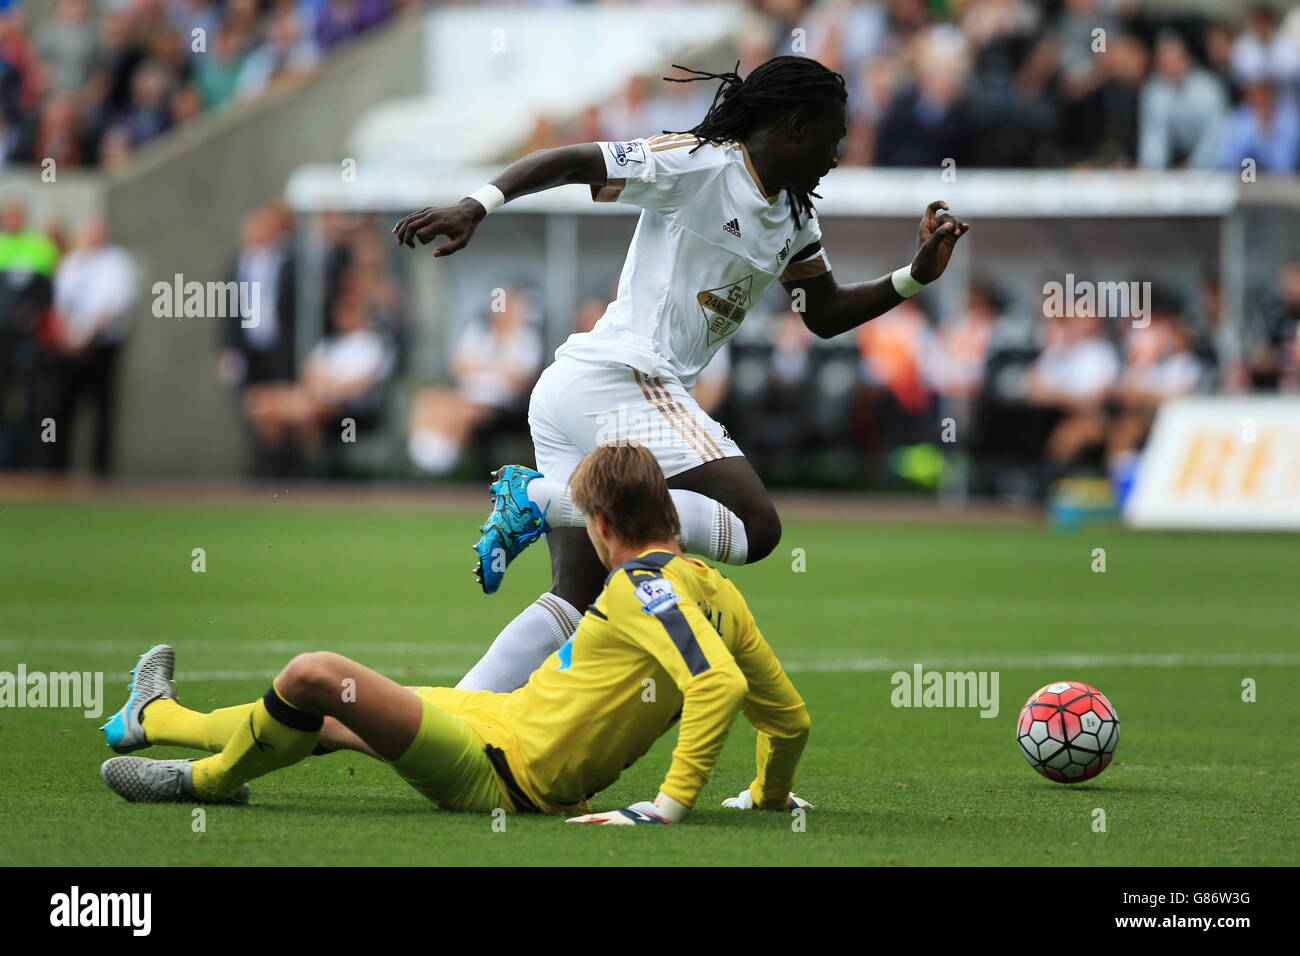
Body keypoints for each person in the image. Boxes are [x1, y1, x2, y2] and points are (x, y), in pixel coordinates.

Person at [392, 56, 969, 693]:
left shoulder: (795, 218)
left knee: (573, 602)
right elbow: (575, 159)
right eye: (834, 137)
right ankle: (539, 499)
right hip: (623, 379)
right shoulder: (700, 163)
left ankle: (452, 713)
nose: (839, 153)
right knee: (757, 527)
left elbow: (825, 313)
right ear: (797, 127)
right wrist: (478, 205)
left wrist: (914, 276)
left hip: (583, 396)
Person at [98, 443, 812, 824]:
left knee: (314, 674)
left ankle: (210, 783)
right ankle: (153, 716)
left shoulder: (640, 587)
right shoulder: (720, 592)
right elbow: (789, 721)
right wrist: (771, 795)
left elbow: (716, 685)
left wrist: (668, 807)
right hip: (501, 721)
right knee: (333, 714)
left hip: (502, 774)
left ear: (598, 525)